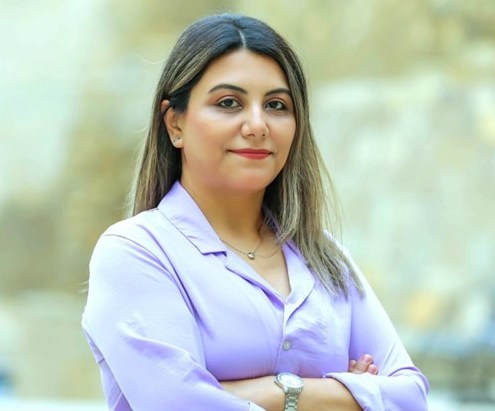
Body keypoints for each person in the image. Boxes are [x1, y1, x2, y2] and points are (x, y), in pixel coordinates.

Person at [82, 13, 429, 411]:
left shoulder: (323, 256)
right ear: (174, 123)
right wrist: (349, 395)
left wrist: (253, 392)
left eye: (277, 105)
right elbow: (179, 404)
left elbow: (410, 397)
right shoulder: (138, 252)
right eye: (229, 103)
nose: (257, 125)